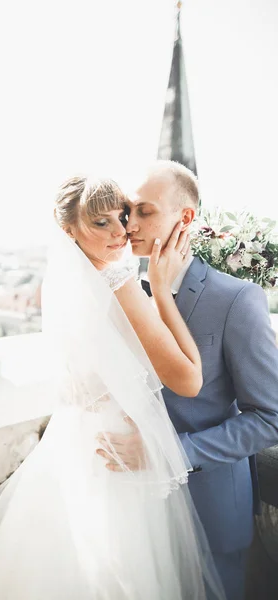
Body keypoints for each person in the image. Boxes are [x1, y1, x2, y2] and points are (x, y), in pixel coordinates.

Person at [0, 175, 225, 600]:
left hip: (77, 440)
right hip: (118, 447)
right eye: (101, 223)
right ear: (69, 230)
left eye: (123, 216)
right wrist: (162, 291)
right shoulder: (119, 281)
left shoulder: (62, 285)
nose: (120, 231)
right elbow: (188, 380)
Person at [97, 161, 278, 600]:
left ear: (185, 218)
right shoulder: (120, 292)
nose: (129, 224)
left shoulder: (236, 299)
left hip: (209, 508)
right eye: (126, 213)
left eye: (144, 211)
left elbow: (270, 418)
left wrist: (169, 453)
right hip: (134, 510)